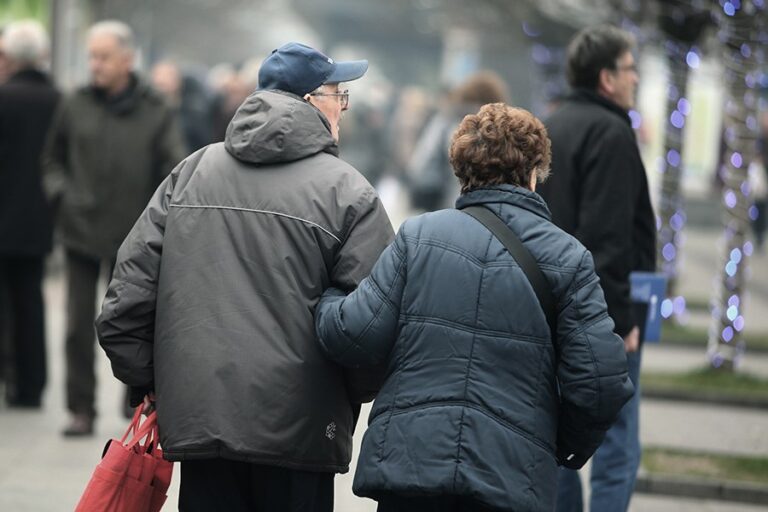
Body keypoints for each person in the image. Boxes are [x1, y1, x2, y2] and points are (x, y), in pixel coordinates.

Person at [95, 42, 394, 512]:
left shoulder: (191, 172)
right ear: (313, 102)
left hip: (200, 419)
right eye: (340, 96)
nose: (344, 108)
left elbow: (125, 300)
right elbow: (373, 322)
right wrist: (345, 398)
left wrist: (157, 381)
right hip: (300, 427)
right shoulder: (349, 193)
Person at [314, 103, 634, 512]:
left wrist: (325, 298)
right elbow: (600, 382)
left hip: (412, 467)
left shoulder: (419, 237)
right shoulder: (568, 258)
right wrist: (556, 444)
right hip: (510, 479)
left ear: (462, 171)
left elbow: (356, 334)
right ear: (535, 173)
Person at [42, 20, 186, 436]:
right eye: (92, 56)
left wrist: (160, 219)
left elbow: (174, 166)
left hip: (134, 236)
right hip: (80, 230)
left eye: (103, 57)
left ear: (127, 60)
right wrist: (61, 196)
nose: (95, 64)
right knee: (75, 326)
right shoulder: (75, 103)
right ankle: (80, 408)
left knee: (134, 320)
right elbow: (52, 159)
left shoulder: (156, 108)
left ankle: (134, 399)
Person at [536, 25, 657, 512]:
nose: (636, 80)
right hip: (600, 319)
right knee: (617, 445)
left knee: (559, 443)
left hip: (555, 312)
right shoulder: (611, 132)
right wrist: (620, 320)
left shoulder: (556, 124)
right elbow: (607, 239)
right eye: (631, 70)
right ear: (607, 77)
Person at [0, 20, 59, 408]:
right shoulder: (59, 99)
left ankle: (10, 376)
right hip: (40, 218)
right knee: (31, 301)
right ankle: (33, 385)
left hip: (3, 214)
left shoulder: (3, 99)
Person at [405, 71, 507, 212]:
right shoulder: (504, 130)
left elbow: (420, 164)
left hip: (449, 205)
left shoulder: (447, 121)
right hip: (492, 211)